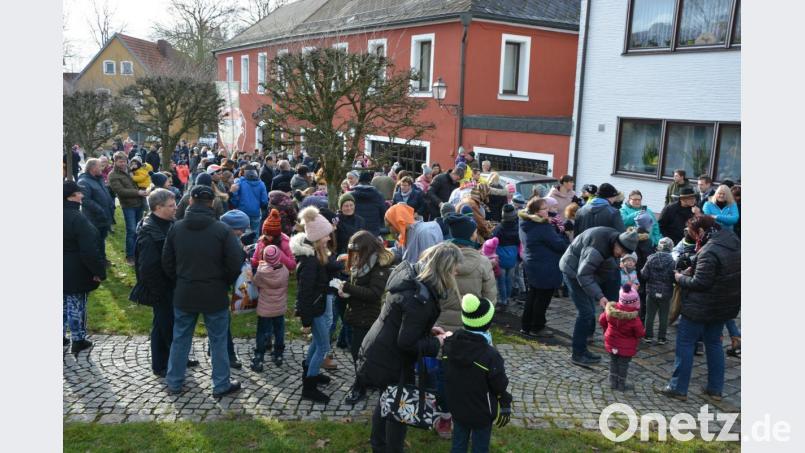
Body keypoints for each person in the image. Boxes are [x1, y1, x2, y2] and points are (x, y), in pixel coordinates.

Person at [357, 243, 462, 453]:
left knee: (387, 399)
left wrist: (427, 330)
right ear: (443, 269)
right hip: (390, 359)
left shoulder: (411, 279)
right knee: (398, 409)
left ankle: (379, 445)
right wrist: (438, 342)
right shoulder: (419, 299)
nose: (456, 273)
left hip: (380, 350)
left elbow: (403, 322)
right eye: (454, 269)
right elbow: (406, 342)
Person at [161, 185, 245, 398]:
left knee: (181, 338)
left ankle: (174, 382)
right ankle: (221, 384)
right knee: (218, 340)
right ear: (212, 203)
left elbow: (167, 261)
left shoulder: (176, 228)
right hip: (214, 293)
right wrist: (224, 281)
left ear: (190, 201)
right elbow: (235, 262)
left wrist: (181, 279)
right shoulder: (222, 230)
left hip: (185, 291)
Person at [657, 215, 740, 402]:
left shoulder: (709, 251)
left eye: (694, 234)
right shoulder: (732, 241)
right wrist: (695, 267)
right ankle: (715, 389)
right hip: (724, 304)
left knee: (685, 343)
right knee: (714, 343)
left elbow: (700, 282)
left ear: (701, 231)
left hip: (700, 306)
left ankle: (678, 388)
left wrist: (680, 278)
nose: (693, 238)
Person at [131, 189, 198, 377]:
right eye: (171, 205)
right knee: (164, 325)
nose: (176, 207)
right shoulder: (149, 231)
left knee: (166, 324)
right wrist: (159, 292)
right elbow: (147, 267)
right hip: (162, 288)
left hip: (172, 284)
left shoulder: (170, 223)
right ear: (158, 207)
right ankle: (161, 364)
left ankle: (176, 357)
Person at [560, 227, 638, 366]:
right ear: (617, 243)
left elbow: (602, 271)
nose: (621, 255)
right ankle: (577, 353)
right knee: (586, 313)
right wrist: (600, 295)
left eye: (625, 253)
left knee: (589, 311)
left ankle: (582, 349)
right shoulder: (596, 249)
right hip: (572, 271)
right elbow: (583, 275)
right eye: (621, 251)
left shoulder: (613, 243)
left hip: (583, 272)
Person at [443, 294, 512, 453]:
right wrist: (505, 402)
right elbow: (499, 384)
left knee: (458, 444)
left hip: (457, 406)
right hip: (482, 411)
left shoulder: (449, 345)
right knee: (480, 447)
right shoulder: (490, 355)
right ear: (488, 323)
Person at [339, 231, 394, 405]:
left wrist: (348, 288)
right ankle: (366, 380)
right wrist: (347, 293)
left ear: (366, 249)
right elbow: (359, 287)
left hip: (368, 318)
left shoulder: (379, 265)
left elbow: (374, 293)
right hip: (355, 314)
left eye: (357, 251)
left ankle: (360, 387)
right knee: (357, 352)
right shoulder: (363, 262)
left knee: (360, 354)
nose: (354, 255)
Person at [291, 206, 336, 403]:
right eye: (326, 235)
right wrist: (306, 319)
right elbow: (305, 293)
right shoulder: (310, 262)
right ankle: (309, 388)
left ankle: (311, 371)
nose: (329, 238)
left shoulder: (317, 255)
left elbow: (322, 276)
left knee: (318, 343)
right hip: (315, 309)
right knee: (323, 345)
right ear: (317, 237)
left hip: (319, 305)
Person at [63, 181, 106, 357]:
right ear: (70, 196)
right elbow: (89, 250)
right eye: (78, 193)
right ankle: (78, 340)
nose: (82, 195)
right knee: (76, 305)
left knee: (61, 304)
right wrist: (99, 271)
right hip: (76, 270)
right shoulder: (78, 218)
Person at [436, 214, 497, 334]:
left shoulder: (438, 260)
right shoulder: (483, 262)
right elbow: (490, 298)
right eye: (475, 232)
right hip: (472, 325)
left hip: (441, 327)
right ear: (471, 236)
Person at [518, 198, 570, 338]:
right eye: (545, 209)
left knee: (533, 295)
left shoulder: (524, 222)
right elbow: (559, 245)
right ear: (536, 212)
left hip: (532, 263)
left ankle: (526, 326)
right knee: (542, 298)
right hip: (545, 266)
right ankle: (537, 327)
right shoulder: (542, 226)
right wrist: (562, 235)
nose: (548, 211)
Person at [599, 283, 645, 391]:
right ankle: (621, 384)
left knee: (613, 362)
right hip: (626, 348)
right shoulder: (634, 319)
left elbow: (601, 320)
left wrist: (606, 329)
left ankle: (612, 382)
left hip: (611, 342)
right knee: (623, 365)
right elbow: (640, 334)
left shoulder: (610, 311)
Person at [250, 245, 290, 371]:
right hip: (279, 307)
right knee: (279, 331)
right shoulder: (285, 270)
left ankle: (259, 357)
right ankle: (278, 355)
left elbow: (256, 282)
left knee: (262, 332)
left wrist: (260, 267)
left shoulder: (261, 272)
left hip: (265, 309)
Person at [108, 151, 147, 266]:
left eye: (125, 161)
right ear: (115, 161)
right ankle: (130, 256)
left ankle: (138, 252)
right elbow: (120, 191)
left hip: (139, 203)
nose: (123, 164)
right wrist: (138, 192)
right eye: (120, 162)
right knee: (131, 231)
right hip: (128, 205)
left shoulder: (131, 170)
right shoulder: (113, 175)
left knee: (138, 230)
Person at [77, 158, 114, 265]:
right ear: (93, 168)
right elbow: (85, 200)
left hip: (104, 216)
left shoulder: (99, 178)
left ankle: (102, 259)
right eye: (100, 166)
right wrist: (100, 210)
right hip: (94, 218)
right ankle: (96, 262)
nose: (102, 168)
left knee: (101, 239)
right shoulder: (83, 181)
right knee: (95, 241)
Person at [641, 237, 676, 345]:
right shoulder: (672, 261)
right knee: (664, 316)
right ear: (671, 248)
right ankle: (661, 338)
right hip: (666, 293)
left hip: (651, 291)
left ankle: (648, 336)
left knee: (649, 315)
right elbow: (674, 278)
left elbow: (644, 274)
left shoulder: (651, 258)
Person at [492, 204, 520, 309]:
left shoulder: (498, 228)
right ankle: (507, 298)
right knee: (510, 279)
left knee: (501, 280)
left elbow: (492, 241)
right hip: (513, 256)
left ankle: (503, 300)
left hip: (501, 257)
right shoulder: (517, 228)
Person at [230, 164, 269, 235]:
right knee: (255, 233)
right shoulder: (261, 184)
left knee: (242, 233)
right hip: (255, 212)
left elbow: (235, 196)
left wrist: (235, 205)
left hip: (242, 211)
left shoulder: (240, 182)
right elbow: (264, 200)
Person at [352, 171, 387, 236]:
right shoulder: (378, 195)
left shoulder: (352, 195)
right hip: (374, 229)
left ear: (359, 180)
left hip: (357, 228)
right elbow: (383, 212)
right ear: (370, 181)